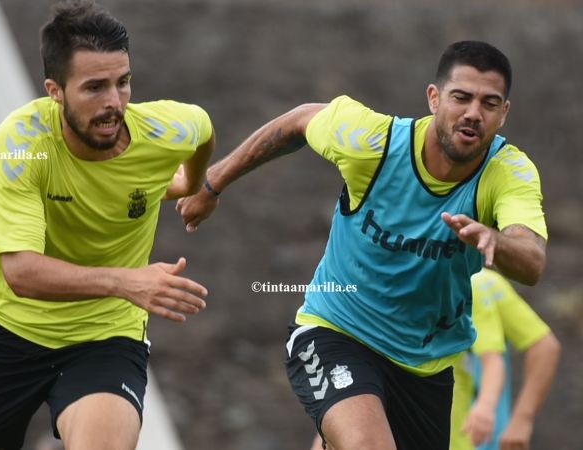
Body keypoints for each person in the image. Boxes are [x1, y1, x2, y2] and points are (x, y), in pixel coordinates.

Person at [177, 40, 547, 450]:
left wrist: (497, 240)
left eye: (489, 103)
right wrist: (211, 184)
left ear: (504, 112)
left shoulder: (508, 172)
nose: (474, 113)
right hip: (336, 331)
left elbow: (532, 260)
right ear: (434, 98)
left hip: (425, 367)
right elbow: (299, 121)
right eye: (461, 97)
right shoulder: (372, 142)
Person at [0, 2, 215, 449]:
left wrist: (193, 187)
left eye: (122, 82)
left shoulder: (165, 130)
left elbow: (203, 132)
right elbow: (21, 272)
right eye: (94, 87)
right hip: (9, 330)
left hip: (105, 338)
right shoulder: (22, 142)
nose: (113, 103)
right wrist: (127, 282)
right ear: (55, 91)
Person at [450, 268, 560, 450]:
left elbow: (543, 347)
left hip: (472, 433)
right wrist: (521, 421)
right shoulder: (485, 281)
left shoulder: (474, 284)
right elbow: (545, 346)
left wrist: (520, 419)